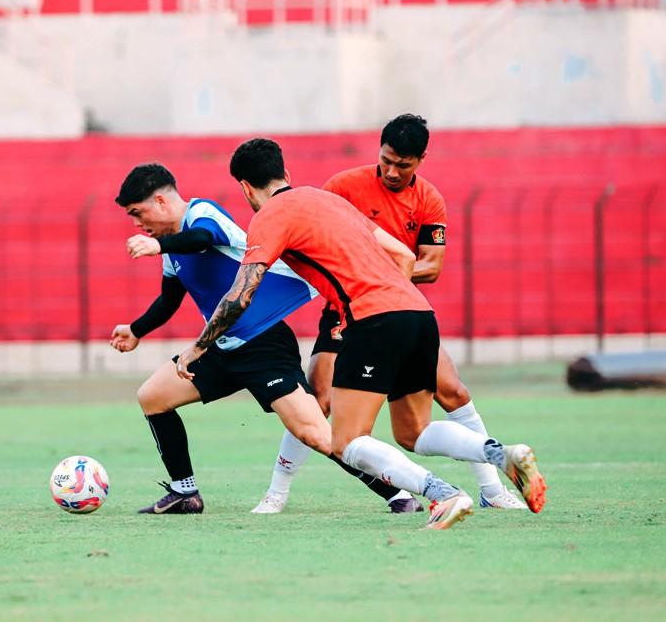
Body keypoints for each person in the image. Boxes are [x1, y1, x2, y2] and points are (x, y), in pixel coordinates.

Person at [176, 138, 547, 530]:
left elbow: (240, 296)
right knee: (413, 431)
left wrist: (197, 348)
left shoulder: (268, 217)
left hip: (373, 320)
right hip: (418, 312)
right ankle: (501, 453)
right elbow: (404, 256)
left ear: (245, 188)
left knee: (347, 441)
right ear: (286, 174)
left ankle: (444, 494)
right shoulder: (331, 201)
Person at [252, 114, 525, 514]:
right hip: (345, 311)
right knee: (318, 400)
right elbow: (316, 241)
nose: (392, 171)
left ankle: (492, 490)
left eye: (404, 164)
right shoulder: (343, 187)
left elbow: (432, 265)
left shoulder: (429, 199)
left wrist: (374, 270)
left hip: (393, 310)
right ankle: (277, 492)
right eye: (386, 160)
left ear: (422, 160)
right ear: (378, 151)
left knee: (452, 392)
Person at [110, 163, 418, 514]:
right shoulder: (170, 246)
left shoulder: (202, 214)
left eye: (138, 213)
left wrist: (155, 245)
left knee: (315, 434)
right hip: (220, 346)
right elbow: (169, 300)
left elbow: (204, 239)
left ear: (162, 202)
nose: (137, 223)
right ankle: (185, 493)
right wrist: (135, 331)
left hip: (264, 343)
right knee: (152, 397)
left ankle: (398, 493)